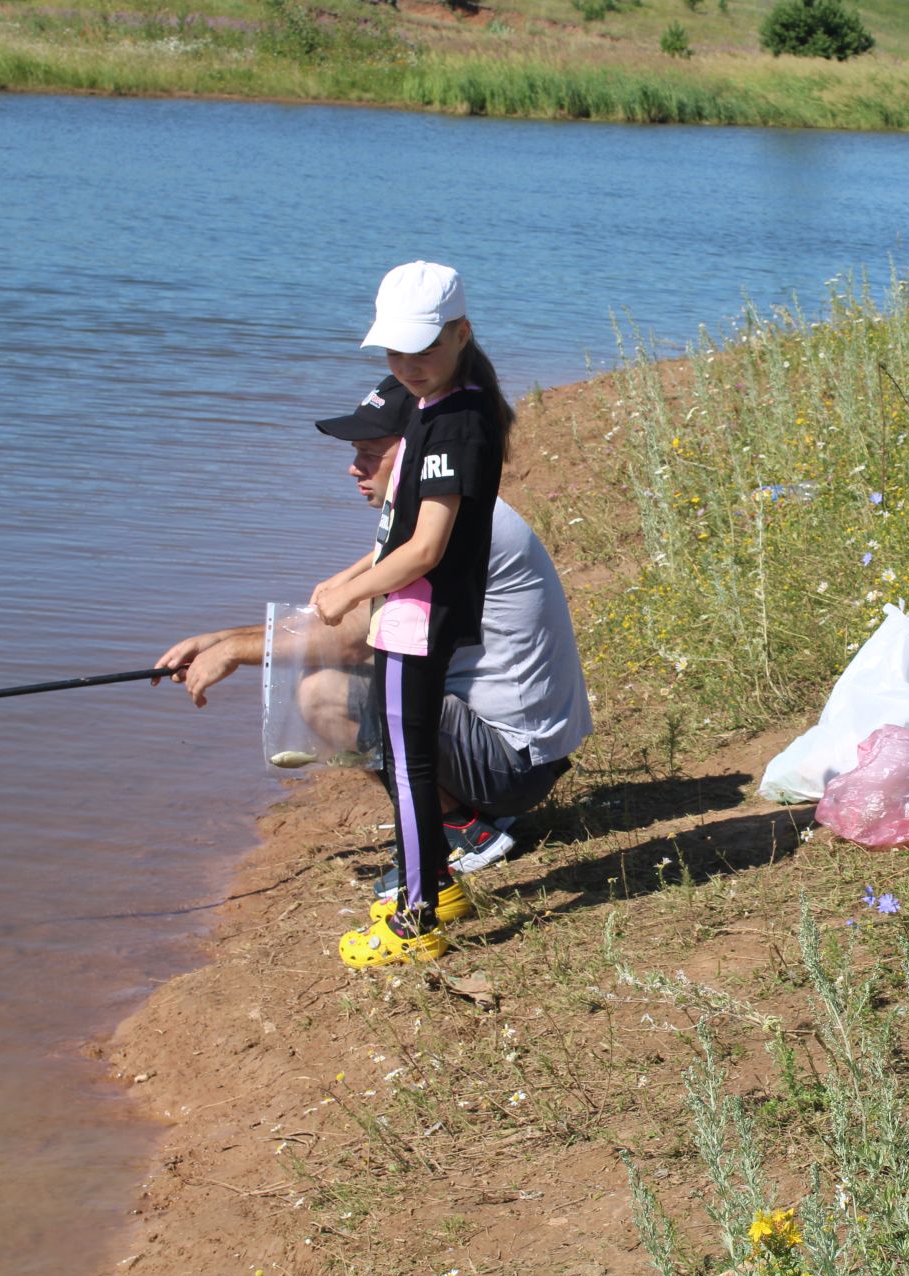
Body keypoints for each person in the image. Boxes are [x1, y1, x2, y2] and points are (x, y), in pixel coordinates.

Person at [154, 375, 592, 881]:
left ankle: (464, 827)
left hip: (512, 762)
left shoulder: (450, 534)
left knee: (323, 693)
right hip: (515, 750)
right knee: (350, 677)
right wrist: (222, 637)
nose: (353, 467)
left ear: (418, 451)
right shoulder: (450, 508)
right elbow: (340, 615)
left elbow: (350, 639)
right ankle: (463, 812)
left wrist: (234, 653)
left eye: (369, 451)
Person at [313, 260, 510, 968]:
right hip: (411, 609)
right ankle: (441, 883)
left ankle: (418, 918)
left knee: (409, 765)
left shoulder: (459, 421)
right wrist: (348, 574)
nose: (409, 364)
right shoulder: (433, 405)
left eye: (424, 348)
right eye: (396, 350)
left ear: (461, 332)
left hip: (417, 614)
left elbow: (426, 547)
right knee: (405, 756)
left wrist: (353, 595)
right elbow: (399, 530)